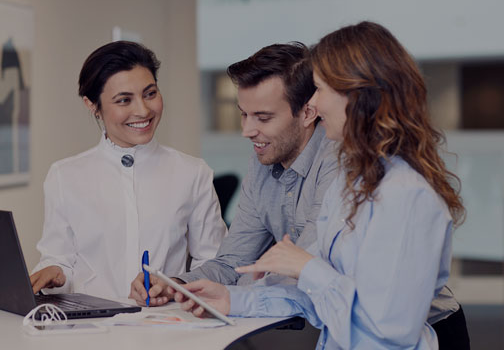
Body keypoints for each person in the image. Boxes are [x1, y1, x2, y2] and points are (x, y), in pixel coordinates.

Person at [174, 22, 470, 349]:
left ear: (357, 96)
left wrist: (306, 267)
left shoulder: (406, 196)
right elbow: (320, 295)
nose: (315, 103)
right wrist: (234, 299)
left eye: (320, 89)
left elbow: (390, 327)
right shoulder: (351, 183)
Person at [129, 42, 339, 306]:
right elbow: (233, 263)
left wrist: (234, 297)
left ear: (308, 113)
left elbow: (306, 273)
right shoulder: (261, 162)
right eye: (243, 115)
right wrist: (175, 285)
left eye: (262, 118)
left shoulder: (337, 160)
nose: (247, 131)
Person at [30, 41, 227, 301]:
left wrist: (173, 286)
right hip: (90, 330)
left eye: (150, 93)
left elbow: (216, 263)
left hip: (166, 329)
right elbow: (58, 259)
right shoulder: (64, 176)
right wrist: (54, 272)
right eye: (124, 100)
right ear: (92, 105)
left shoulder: (192, 173)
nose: (143, 110)